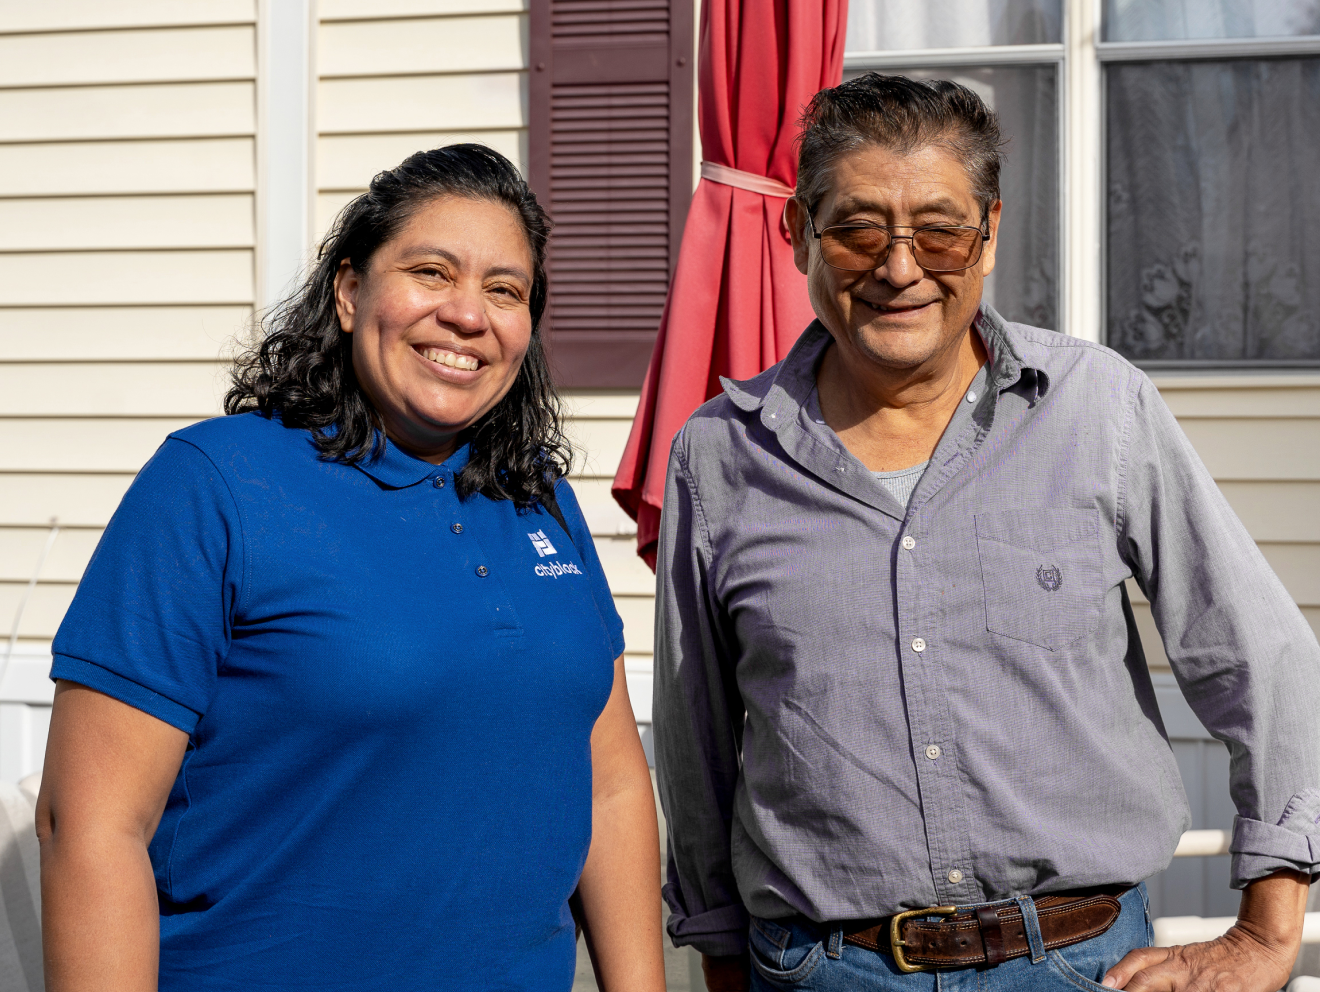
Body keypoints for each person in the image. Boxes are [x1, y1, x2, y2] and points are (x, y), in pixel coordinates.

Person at [653, 75, 1320, 992]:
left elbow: (1267, 660)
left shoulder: (1099, 408)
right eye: (857, 228)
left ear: (991, 233)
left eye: (939, 228)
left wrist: (1267, 931)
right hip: (824, 974)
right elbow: (696, 752)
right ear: (798, 233)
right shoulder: (718, 456)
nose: (899, 267)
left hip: (1084, 966)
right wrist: (723, 962)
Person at [38, 144, 666, 992]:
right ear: (348, 292)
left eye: (505, 290)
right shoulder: (217, 483)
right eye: (432, 272)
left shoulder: (539, 500)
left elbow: (612, 786)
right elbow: (90, 825)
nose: (468, 315)